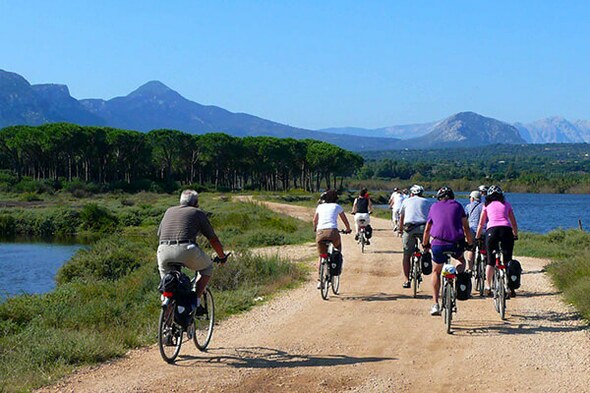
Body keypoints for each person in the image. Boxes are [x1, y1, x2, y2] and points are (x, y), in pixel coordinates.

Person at [157, 190, 229, 313]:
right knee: (207, 268)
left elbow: (159, 234)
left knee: (167, 286)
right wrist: (222, 256)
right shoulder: (197, 212)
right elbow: (213, 239)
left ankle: (167, 324)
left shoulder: (169, 211)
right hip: (186, 249)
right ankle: (195, 300)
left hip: (163, 250)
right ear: (195, 203)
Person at [423, 186, 474, 316]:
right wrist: (470, 243)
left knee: (436, 271)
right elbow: (466, 227)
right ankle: (457, 279)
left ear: (439, 197)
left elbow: (428, 229)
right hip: (455, 244)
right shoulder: (458, 206)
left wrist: (425, 244)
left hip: (438, 244)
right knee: (461, 261)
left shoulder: (434, 207)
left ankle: (435, 304)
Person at [475, 185, 519, 297]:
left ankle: (488, 286)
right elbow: (513, 222)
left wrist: (477, 236)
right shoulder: (506, 204)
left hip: (492, 231)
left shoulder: (486, 205)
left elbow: (481, 223)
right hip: (506, 231)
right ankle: (509, 287)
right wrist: (515, 234)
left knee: (490, 261)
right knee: (508, 260)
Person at [313, 189, 352, 288]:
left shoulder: (320, 207)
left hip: (320, 232)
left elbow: (315, 220)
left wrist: (315, 229)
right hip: (333, 232)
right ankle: (334, 267)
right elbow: (345, 220)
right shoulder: (337, 206)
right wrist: (348, 229)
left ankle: (320, 280)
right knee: (337, 250)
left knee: (322, 255)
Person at [398, 184, 431, 288]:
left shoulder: (406, 201)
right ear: (421, 193)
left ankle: (406, 280)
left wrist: (400, 229)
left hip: (409, 228)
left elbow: (402, 217)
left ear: (411, 193)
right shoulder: (427, 202)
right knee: (426, 247)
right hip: (423, 228)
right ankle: (425, 256)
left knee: (407, 255)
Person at [464, 190, 484, 271]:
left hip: (472, 230)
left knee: (471, 249)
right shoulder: (485, 205)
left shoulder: (468, 206)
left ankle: (470, 269)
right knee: (484, 249)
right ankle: (484, 264)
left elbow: (464, 219)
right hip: (483, 230)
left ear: (472, 198)